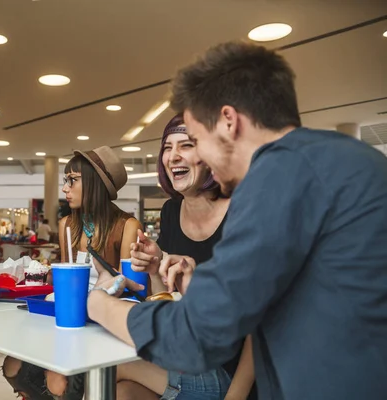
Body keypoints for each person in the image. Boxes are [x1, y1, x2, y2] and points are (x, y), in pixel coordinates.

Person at [87, 40, 387, 399]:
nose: (202, 158)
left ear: (228, 121)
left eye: (196, 139)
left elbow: (195, 337)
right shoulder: (344, 159)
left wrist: (100, 304)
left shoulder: (279, 173)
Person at [113, 115, 255, 400]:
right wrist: (155, 268)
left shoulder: (244, 212)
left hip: (233, 373)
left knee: (113, 368)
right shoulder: (170, 212)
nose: (173, 156)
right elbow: (168, 303)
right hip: (187, 357)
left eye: (186, 145)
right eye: (167, 147)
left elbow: (260, 326)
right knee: (122, 393)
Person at [3, 146, 141, 399]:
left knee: (58, 382)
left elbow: (128, 288)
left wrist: (106, 286)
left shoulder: (127, 226)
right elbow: (66, 280)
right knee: (12, 366)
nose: (65, 188)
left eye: (72, 180)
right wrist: (39, 275)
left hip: (102, 325)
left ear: (95, 184)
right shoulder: (67, 225)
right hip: (65, 317)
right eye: (65, 180)